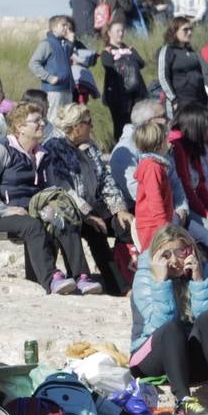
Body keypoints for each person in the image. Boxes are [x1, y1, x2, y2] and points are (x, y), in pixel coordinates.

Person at [0, 102, 96, 293]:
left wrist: (66, 210)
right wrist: (3, 210)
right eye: (36, 120)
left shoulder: (42, 154)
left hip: (30, 211)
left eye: (42, 119)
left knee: (64, 216)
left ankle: (80, 276)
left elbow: (52, 188)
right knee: (31, 225)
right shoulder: (3, 150)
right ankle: (50, 279)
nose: (42, 123)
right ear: (20, 127)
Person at [129, 224, 208, 415]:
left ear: (190, 250)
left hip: (188, 360)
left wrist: (199, 281)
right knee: (172, 327)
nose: (175, 261)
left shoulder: (204, 269)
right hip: (151, 358)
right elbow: (158, 326)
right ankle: (183, 402)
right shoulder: (144, 276)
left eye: (181, 252)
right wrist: (161, 284)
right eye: (166, 255)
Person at [45, 104, 133, 295]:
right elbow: (62, 189)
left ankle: (132, 274)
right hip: (69, 211)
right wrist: (88, 215)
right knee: (96, 232)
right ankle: (120, 287)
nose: (91, 126)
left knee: (126, 224)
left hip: (94, 206)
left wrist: (119, 208)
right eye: (88, 123)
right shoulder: (54, 148)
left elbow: (105, 179)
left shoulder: (89, 146)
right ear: (75, 126)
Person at [98, 21, 148, 142]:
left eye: (122, 31)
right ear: (109, 33)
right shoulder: (107, 51)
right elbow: (109, 66)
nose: (121, 34)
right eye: (117, 31)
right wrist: (122, 59)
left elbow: (141, 63)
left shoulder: (129, 48)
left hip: (136, 93)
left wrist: (126, 54)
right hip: (118, 95)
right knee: (121, 125)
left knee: (139, 123)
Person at [134, 118, 178, 251]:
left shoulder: (154, 165)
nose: (169, 143)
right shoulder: (152, 167)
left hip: (156, 224)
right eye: (166, 140)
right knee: (154, 258)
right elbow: (155, 199)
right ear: (159, 145)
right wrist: (163, 227)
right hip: (153, 226)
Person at [157, 17, 208, 114]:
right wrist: (173, 100)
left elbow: (200, 75)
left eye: (191, 29)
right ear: (175, 31)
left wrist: (206, 99)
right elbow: (163, 77)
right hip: (181, 103)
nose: (189, 32)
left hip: (199, 101)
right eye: (185, 29)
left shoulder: (191, 51)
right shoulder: (167, 50)